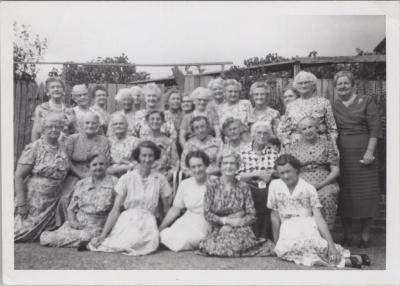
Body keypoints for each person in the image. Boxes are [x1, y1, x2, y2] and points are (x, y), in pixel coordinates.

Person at [268, 154, 370, 268]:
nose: (285, 176)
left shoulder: (308, 188)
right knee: (288, 249)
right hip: (287, 226)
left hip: (306, 223)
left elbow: (319, 219)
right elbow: (274, 216)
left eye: (288, 171)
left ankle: (344, 258)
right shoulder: (274, 186)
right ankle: (348, 261)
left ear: (296, 170)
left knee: (314, 245)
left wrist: (331, 246)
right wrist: (276, 242)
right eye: (281, 173)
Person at [88, 141, 172, 256]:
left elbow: (166, 209)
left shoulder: (160, 179)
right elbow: (115, 209)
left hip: (148, 220)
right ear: (138, 157)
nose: (147, 159)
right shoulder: (126, 178)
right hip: (128, 219)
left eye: (150, 155)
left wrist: (161, 229)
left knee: (142, 242)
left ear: (155, 157)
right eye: (144, 155)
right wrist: (103, 235)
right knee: (127, 241)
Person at [332, 71, 381, 248]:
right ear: (335, 87)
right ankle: (348, 234)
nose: (342, 86)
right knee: (345, 194)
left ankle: (365, 234)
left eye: (346, 83)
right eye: (339, 84)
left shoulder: (366, 101)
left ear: (353, 85)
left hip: (364, 150)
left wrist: (369, 152)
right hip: (342, 153)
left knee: (366, 194)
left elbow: (375, 128)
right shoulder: (334, 105)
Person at [197, 150, 275, 257]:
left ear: (237, 166)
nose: (228, 166)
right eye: (225, 163)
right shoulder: (212, 186)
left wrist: (238, 222)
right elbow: (207, 213)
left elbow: (251, 215)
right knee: (215, 247)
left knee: (232, 245)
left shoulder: (244, 187)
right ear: (220, 165)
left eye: (232, 163)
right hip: (219, 228)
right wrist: (226, 221)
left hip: (241, 228)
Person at [40, 154, 118, 248]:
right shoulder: (81, 184)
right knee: (45, 238)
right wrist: (73, 222)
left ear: (107, 165)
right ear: (89, 166)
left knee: (86, 236)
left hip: (98, 226)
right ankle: (86, 243)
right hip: (78, 225)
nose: (98, 167)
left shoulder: (115, 182)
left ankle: (89, 241)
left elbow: (116, 210)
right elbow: (71, 209)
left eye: (101, 164)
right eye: (94, 164)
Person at [14, 114, 70, 242]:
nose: (54, 129)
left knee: (44, 234)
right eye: (50, 127)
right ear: (43, 129)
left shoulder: (63, 147)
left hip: (52, 203)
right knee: (20, 234)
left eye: (57, 127)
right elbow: (19, 176)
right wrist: (21, 203)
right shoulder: (34, 148)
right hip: (34, 201)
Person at [286, 116, 340, 230]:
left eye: (310, 127)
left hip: (325, 183)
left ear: (317, 128)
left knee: (326, 196)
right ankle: (306, 235)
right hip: (302, 182)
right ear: (300, 132)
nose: (308, 130)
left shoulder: (327, 144)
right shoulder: (294, 148)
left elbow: (336, 171)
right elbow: (290, 170)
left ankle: (326, 234)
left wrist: (320, 185)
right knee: (298, 195)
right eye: (304, 129)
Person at [56, 112, 110, 227]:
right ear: (81, 124)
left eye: (93, 123)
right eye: (87, 123)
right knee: (65, 198)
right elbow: (67, 160)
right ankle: (68, 224)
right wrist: (80, 174)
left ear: (98, 126)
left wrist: (91, 174)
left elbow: (105, 160)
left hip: (97, 173)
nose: (90, 126)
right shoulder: (73, 139)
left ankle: (91, 224)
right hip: (75, 172)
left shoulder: (104, 140)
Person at [159, 150, 210, 252]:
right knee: (163, 235)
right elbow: (175, 210)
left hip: (205, 222)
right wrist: (160, 228)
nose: (197, 170)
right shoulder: (185, 184)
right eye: (193, 167)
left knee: (185, 240)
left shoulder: (215, 182)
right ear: (189, 169)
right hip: (187, 220)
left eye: (200, 166)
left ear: (206, 165)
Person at [237, 121, 279, 239]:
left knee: (269, 193)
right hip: (249, 187)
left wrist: (272, 173)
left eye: (265, 133)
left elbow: (281, 173)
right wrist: (256, 173)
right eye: (258, 133)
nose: (262, 136)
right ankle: (251, 236)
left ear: (269, 136)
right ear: (252, 135)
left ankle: (266, 236)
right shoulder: (242, 153)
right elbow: (236, 176)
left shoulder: (274, 153)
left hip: (268, 187)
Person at [277, 71, 337, 148]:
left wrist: (333, 146)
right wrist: (287, 144)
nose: (303, 85)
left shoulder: (324, 103)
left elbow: (332, 129)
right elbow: (282, 130)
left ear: (313, 85)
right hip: (296, 147)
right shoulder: (291, 106)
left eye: (306, 83)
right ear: (296, 86)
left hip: (320, 146)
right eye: (300, 83)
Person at [31, 77, 74, 142]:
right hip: (46, 147)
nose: (56, 89)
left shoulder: (69, 109)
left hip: (65, 147)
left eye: (58, 87)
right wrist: (34, 148)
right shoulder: (41, 108)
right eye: (52, 87)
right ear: (48, 92)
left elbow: (73, 131)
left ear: (63, 91)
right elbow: (35, 131)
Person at [141, 110, 179, 183]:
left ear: (162, 122)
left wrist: (166, 180)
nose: (155, 121)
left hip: (162, 177)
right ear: (147, 122)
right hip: (144, 178)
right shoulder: (142, 141)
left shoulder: (169, 142)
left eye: (158, 119)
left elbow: (175, 165)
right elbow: (136, 163)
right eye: (152, 119)